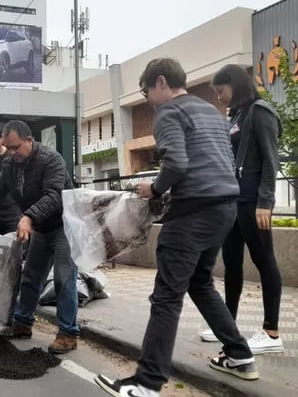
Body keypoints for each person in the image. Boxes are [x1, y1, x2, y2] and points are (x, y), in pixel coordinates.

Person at [95, 59, 257, 397]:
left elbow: (178, 162)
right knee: (200, 283)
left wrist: (153, 189)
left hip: (193, 211)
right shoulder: (213, 112)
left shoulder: (168, 112)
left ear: (162, 82)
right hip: (225, 207)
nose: (149, 99)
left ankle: (146, 383)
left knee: (166, 296)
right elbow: (213, 160)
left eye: (146, 91)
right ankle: (240, 355)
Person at [0, 120, 80, 355]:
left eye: (16, 147)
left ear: (29, 140)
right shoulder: (11, 164)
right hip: (41, 227)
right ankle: (22, 323)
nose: (13, 153)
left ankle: (68, 333)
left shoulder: (51, 160)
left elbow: (54, 195)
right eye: (10, 148)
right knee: (30, 277)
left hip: (64, 226)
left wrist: (27, 217)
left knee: (64, 279)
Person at [198, 64, 284, 354]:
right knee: (231, 264)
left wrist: (266, 202)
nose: (219, 97)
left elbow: (272, 160)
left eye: (221, 91)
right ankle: (227, 325)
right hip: (232, 202)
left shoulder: (260, 111)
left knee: (264, 262)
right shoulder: (236, 115)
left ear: (235, 84)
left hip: (253, 203)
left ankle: (271, 333)